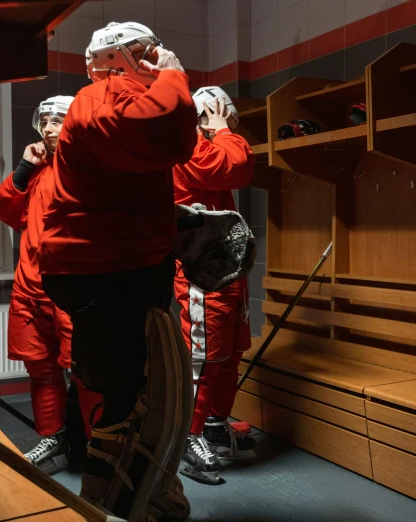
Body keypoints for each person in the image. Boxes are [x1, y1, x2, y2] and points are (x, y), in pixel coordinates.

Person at [38, 21, 197, 519]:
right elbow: (161, 131)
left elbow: (125, 178)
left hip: (107, 266)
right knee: (133, 399)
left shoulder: (104, 98)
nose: (159, 57)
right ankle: (112, 502)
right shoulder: (107, 91)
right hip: (112, 270)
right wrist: (173, 76)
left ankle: (142, 491)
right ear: (126, 57)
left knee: (134, 391)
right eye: (151, 51)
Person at [0, 96, 102, 475]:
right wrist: (22, 169)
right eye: (46, 121)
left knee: (87, 374)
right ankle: (52, 438)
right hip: (31, 290)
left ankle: (100, 448)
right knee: (41, 371)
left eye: (59, 120)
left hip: (74, 292)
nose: (50, 127)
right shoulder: (36, 170)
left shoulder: (92, 166)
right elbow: (2, 210)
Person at [172, 87, 255, 484]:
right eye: (215, 117)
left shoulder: (208, 149)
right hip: (201, 272)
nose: (223, 126)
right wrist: (222, 131)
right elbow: (236, 167)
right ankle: (188, 437)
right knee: (203, 358)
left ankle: (216, 426)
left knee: (230, 352)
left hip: (227, 270)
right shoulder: (186, 147)